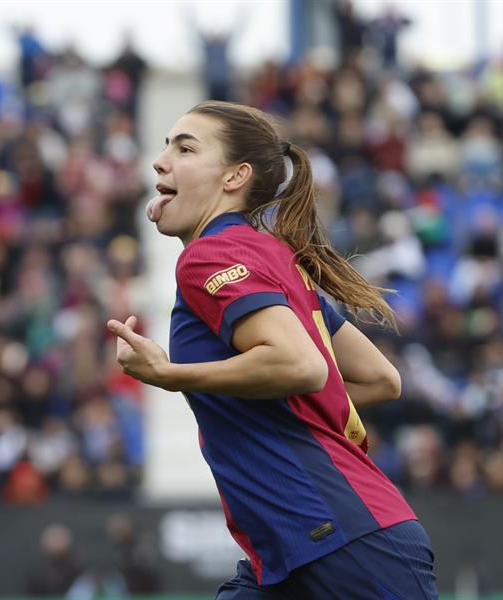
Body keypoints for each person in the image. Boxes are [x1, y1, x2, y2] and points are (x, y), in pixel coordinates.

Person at [107, 101, 437, 599]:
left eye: (186, 147)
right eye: (165, 145)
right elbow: (379, 380)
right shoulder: (271, 256)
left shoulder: (210, 255)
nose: (161, 160)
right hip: (306, 550)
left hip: (341, 545)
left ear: (234, 177)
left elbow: (299, 364)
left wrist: (170, 374)